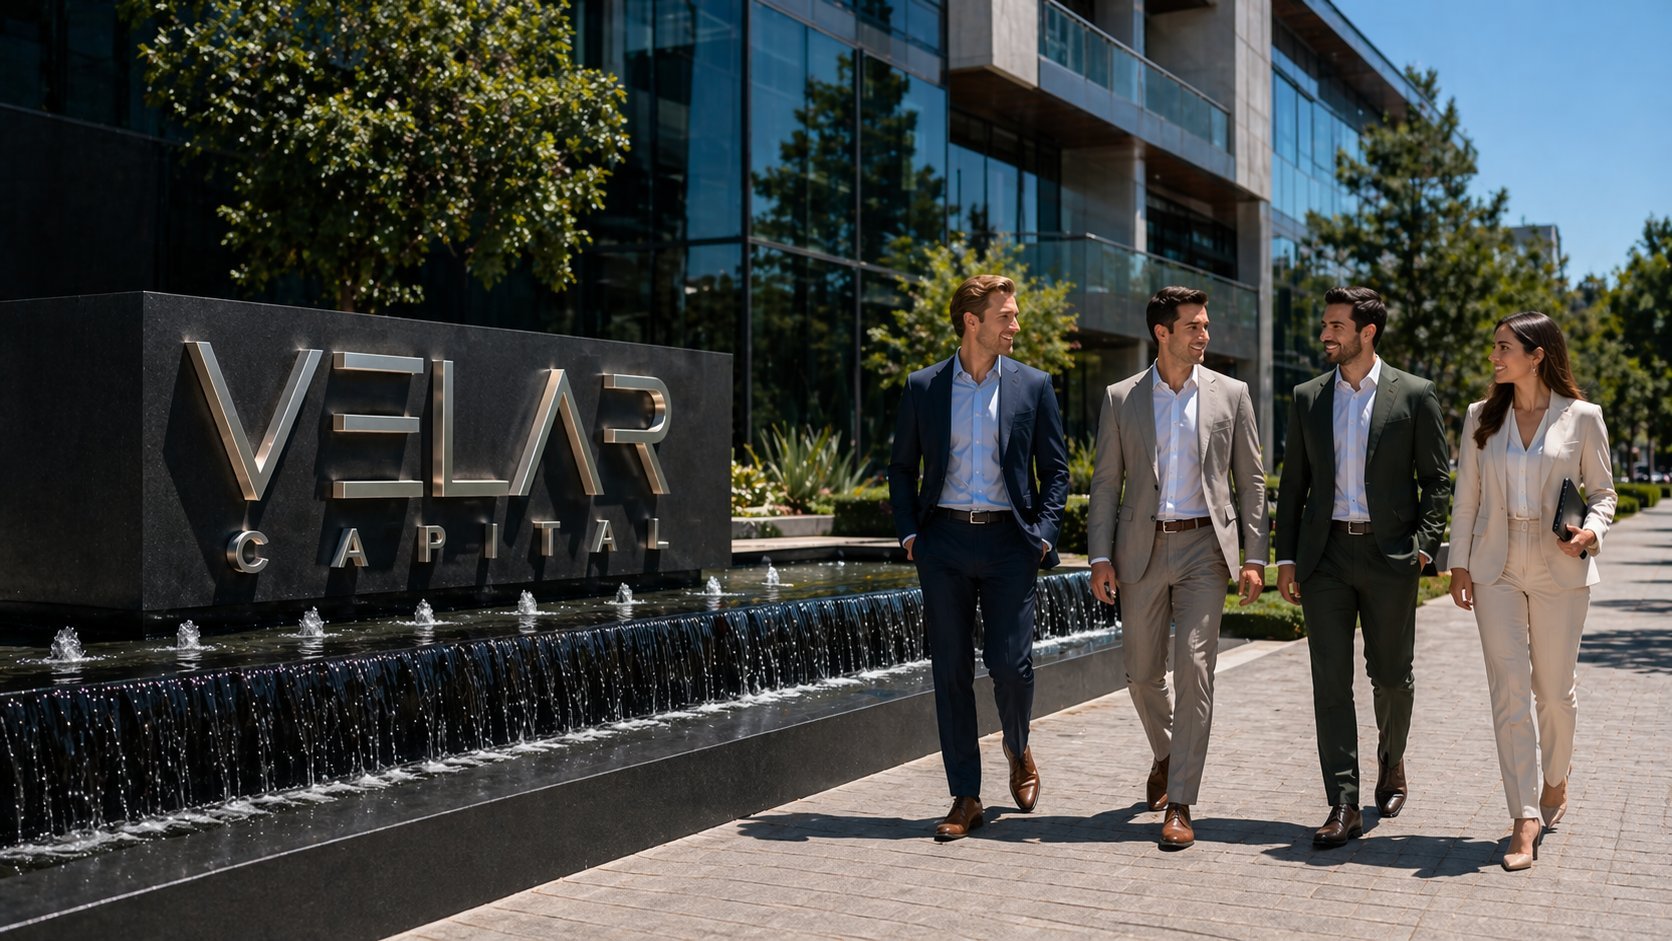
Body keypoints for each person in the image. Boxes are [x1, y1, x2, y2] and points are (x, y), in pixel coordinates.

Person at [887, 274, 1071, 840]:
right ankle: (965, 795)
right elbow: (901, 467)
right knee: (950, 671)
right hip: (942, 542)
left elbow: (1056, 470)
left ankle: (1018, 747)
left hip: (1008, 542)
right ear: (973, 322)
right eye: (1006, 316)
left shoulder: (1033, 386)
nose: (1016, 325)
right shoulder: (924, 386)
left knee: (1012, 667)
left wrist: (1041, 533)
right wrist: (910, 535)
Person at [1085, 286, 1267, 850]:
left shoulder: (1230, 394)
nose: (1204, 335)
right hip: (1141, 548)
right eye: (1193, 327)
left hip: (1204, 551)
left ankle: (1181, 801)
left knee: (1195, 670)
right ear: (1162, 333)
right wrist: (1098, 556)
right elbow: (1105, 484)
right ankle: (1168, 752)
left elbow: (1251, 479)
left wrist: (1255, 555)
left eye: (1205, 326)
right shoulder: (1122, 397)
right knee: (1141, 674)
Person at [1274, 286, 1451, 848]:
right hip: (1325, 556)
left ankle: (1391, 761)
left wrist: (1424, 545)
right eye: (1325, 325)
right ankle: (1343, 802)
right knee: (1330, 681)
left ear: (1366, 332)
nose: (1325, 334)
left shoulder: (1415, 395)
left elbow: (1438, 479)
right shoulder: (1307, 397)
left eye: (1335, 326)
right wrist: (1287, 557)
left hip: (1390, 555)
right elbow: (1294, 485)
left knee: (1392, 677)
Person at [1446, 311, 1615, 871]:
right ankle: (1523, 816)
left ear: (1537, 354)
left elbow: (1604, 493)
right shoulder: (1480, 417)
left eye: (1504, 347)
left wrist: (1592, 529)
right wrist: (1460, 565)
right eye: (1494, 346)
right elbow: (1466, 498)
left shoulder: (1583, 418)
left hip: (1559, 564)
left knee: (1553, 692)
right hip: (1496, 564)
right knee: (1509, 690)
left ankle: (1557, 777)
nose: (1494, 357)